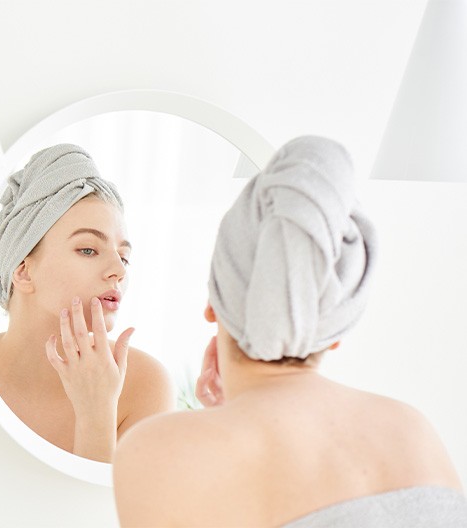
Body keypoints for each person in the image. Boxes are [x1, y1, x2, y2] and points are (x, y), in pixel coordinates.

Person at [113, 136, 467, 526]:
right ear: (334, 329)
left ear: (213, 306)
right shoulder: (412, 431)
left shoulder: (159, 451)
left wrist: (223, 426)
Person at [0, 144, 175, 463]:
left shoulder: (146, 385)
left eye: (124, 256)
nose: (119, 270)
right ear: (24, 271)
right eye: (88, 250)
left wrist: (97, 411)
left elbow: (107, 513)